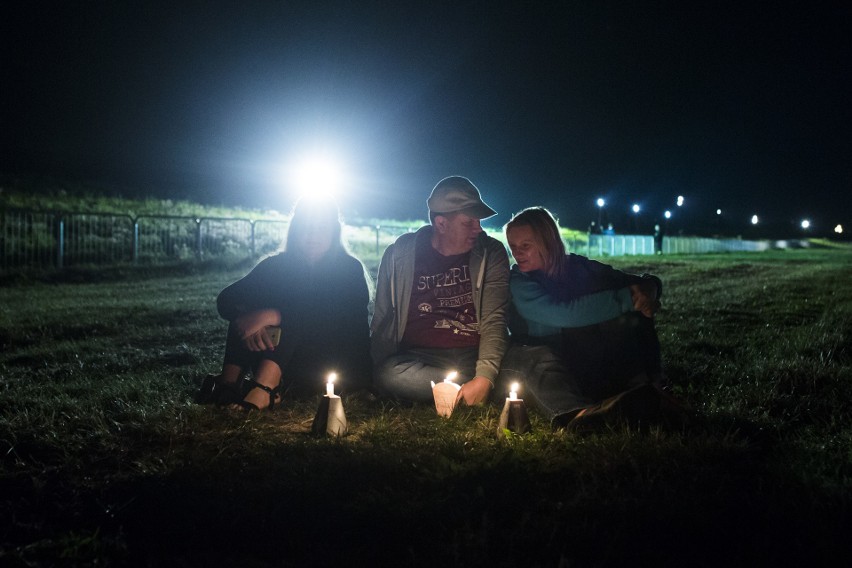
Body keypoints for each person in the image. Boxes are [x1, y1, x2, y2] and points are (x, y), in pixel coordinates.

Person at [501, 206, 680, 431]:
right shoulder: (518, 281)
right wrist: (628, 298)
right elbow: (563, 312)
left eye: (525, 246)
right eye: (513, 247)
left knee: (627, 315)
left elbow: (632, 282)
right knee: (538, 359)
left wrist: (650, 288)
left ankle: (647, 388)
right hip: (543, 356)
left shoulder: (576, 266)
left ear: (549, 241)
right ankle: (580, 417)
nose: (517, 253)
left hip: (583, 359)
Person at [197, 194, 373, 410]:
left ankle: (265, 389)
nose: (312, 234)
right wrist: (249, 318)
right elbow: (226, 299)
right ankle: (228, 385)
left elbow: (333, 320)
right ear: (295, 228)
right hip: (291, 364)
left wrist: (274, 315)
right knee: (246, 311)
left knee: (287, 317)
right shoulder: (276, 266)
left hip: (335, 368)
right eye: (306, 226)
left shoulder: (349, 270)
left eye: (321, 227)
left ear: (334, 231)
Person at [371, 176, 510, 411]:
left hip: (472, 355)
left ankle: (469, 387)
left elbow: (494, 319)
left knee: (506, 367)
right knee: (390, 374)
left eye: (479, 221)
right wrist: (376, 372)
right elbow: (383, 316)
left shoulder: (491, 253)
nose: (479, 229)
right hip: (417, 359)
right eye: (469, 222)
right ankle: (471, 391)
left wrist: (484, 373)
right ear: (441, 224)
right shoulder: (399, 255)